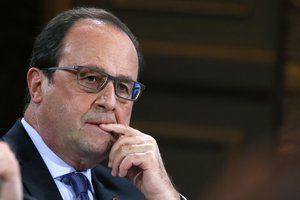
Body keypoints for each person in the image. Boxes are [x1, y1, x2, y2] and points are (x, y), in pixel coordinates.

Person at [1, 7, 185, 200]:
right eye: (90, 78)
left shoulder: (135, 193)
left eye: (123, 87)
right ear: (38, 85)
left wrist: (164, 195)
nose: (109, 102)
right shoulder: (4, 173)